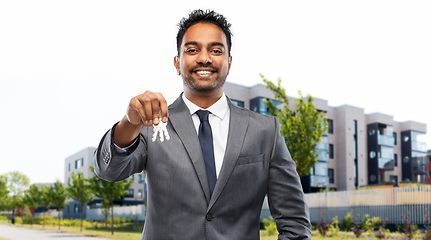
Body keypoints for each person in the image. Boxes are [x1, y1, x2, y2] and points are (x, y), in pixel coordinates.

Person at [94, 9, 311, 240]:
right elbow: (108, 171)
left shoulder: (265, 131)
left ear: (229, 62)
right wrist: (129, 122)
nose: (205, 58)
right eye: (192, 50)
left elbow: (295, 223)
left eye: (216, 50)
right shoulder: (151, 123)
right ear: (178, 63)